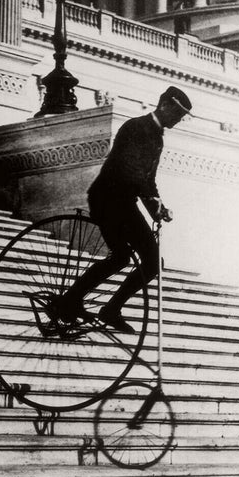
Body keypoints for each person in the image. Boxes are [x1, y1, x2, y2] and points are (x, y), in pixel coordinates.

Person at [58, 86, 193, 333]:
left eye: (181, 115)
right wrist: (153, 200)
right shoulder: (136, 128)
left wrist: (157, 208)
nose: (178, 119)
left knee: (150, 262)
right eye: (177, 112)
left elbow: (148, 179)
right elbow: (130, 171)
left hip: (124, 203)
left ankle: (102, 306)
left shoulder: (157, 137)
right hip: (108, 200)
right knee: (124, 257)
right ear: (164, 105)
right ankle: (76, 301)